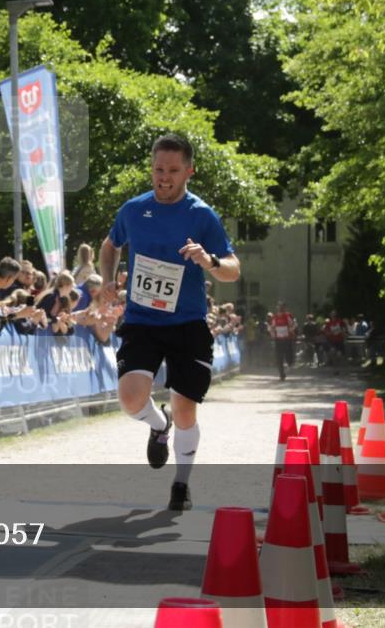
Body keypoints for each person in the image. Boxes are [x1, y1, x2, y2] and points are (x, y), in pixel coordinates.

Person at [99, 134, 240, 511]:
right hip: (143, 320)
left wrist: (208, 261)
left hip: (187, 324)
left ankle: (181, 484)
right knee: (130, 399)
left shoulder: (202, 215)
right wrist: (108, 279)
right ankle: (157, 425)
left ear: (189, 171)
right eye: (159, 169)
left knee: (186, 409)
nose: (164, 177)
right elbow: (110, 245)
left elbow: (233, 270)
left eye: (173, 171)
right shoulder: (133, 210)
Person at [269, 301, 297, 381]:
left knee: (289, 357)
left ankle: (289, 365)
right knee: (279, 358)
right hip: (278, 340)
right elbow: (272, 327)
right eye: (279, 306)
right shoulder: (275, 317)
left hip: (287, 339)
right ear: (277, 308)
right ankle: (282, 374)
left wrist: (290, 330)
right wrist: (272, 333)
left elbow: (294, 324)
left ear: (284, 308)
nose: (280, 308)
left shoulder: (288, 316)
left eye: (282, 307)